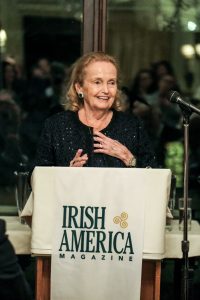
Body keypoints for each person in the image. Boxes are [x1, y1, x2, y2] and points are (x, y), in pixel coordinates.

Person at [34, 52, 157, 169]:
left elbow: (153, 175)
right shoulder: (56, 126)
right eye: (97, 82)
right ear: (79, 88)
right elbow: (37, 178)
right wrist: (67, 173)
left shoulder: (132, 126)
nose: (106, 90)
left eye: (111, 82)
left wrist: (129, 159)